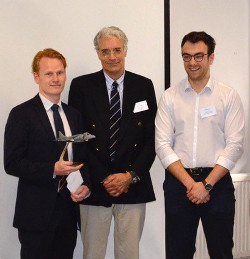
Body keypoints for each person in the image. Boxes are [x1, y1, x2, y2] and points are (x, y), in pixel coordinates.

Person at [68, 26, 157, 259]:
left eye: (117, 50)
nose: (112, 57)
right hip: (95, 185)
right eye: (105, 51)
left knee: (129, 254)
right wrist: (105, 178)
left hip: (133, 183)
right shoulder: (81, 87)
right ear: (97, 53)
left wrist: (129, 176)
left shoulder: (144, 86)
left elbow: (151, 139)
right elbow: (79, 139)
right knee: (93, 253)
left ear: (125, 50)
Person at [155, 31, 245, 259]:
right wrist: (190, 184)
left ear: (210, 58)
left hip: (217, 183)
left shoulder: (228, 96)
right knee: (178, 252)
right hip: (179, 184)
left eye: (198, 56)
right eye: (186, 57)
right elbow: (163, 145)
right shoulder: (169, 97)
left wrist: (206, 185)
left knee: (221, 251)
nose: (192, 62)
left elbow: (234, 145)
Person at [4, 48, 91, 259]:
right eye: (49, 74)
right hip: (35, 216)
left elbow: (83, 158)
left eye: (59, 73)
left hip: (68, 214)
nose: (55, 79)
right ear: (36, 77)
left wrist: (86, 185)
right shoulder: (21, 114)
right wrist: (52, 169)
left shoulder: (74, 115)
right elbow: (12, 163)